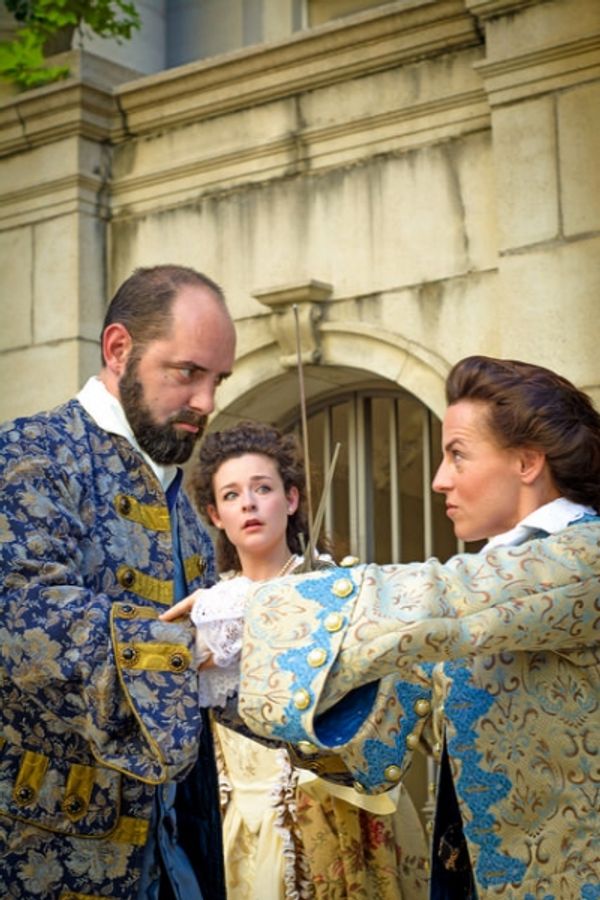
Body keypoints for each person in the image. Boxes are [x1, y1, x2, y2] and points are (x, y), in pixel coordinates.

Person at [236, 356, 600, 899]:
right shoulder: (491, 588)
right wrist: (229, 676)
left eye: (457, 455)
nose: (438, 480)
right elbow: (385, 744)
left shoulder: (584, 553)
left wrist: (267, 610)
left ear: (526, 461)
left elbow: (451, 599)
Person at [0, 264, 236, 899]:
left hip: (174, 859)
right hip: (46, 857)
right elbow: (30, 625)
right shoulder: (28, 455)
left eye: (218, 380)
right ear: (118, 349)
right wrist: (202, 648)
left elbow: (215, 692)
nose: (207, 402)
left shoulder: (182, 505)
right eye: (188, 372)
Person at [166, 421, 430, 899]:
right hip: (231, 827)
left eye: (262, 488)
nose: (248, 503)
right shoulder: (207, 608)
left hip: (328, 812)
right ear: (215, 514)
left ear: (290, 500)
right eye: (231, 495)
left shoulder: (334, 588)